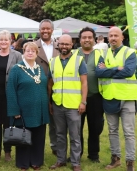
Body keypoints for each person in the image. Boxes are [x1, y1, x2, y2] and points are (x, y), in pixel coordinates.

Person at [96, 27, 137, 171]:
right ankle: (116, 159)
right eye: (110, 35)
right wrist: (116, 69)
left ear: (122, 38)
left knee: (129, 132)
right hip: (109, 97)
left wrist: (108, 70)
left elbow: (128, 71)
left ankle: (130, 162)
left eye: (116, 35)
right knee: (112, 131)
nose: (113, 38)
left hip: (127, 97)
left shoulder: (130, 52)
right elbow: (98, 72)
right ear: (107, 38)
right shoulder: (104, 52)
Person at [6, 42, 50, 171]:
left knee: (38, 136)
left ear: (37, 54)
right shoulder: (16, 69)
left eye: (33, 51)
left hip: (40, 110)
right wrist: (14, 110)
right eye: (27, 51)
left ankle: (36, 161)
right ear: (23, 53)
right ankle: (23, 163)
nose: (30, 53)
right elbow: (11, 91)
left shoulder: (40, 69)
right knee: (24, 137)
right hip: (23, 111)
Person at [48, 34, 87, 171]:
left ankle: (76, 163)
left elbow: (84, 82)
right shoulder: (53, 61)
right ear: (58, 45)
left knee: (75, 136)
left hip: (74, 105)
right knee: (60, 135)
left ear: (72, 45)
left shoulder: (79, 60)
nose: (64, 46)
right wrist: (50, 102)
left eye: (67, 44)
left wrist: (83, 102)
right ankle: (61, 160)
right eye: (62, 44)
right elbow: (50, 83)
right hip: (58, 104)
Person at [0, 30, 22, 162]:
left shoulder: (17, 55)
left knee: (8, 124)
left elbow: (20, 74)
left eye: (6, 39)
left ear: (10, 41)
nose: (3, 42)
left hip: (10, 95)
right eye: (1, 39)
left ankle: (8, 151)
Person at [75, 27, 104, 163]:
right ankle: (77, 154)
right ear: (80, 40)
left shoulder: (101, 54)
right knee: (77, 128)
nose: (87, 40)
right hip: (77, 98)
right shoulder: (74, 54)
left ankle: (94, 155)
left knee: (95, 127)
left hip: (95, 97)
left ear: (94, 39)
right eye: (84, 37)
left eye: (89, 37)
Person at [35, 19, 60, 156]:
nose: (45, 31)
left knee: (55, 121)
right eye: (43, 28)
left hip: (56, 89)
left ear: (52, 30)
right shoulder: (33, 46)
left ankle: (55, 147)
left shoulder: (59, 46)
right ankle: (36, 148)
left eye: (48, 29)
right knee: (37, 121)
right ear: (40, 30)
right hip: (38, 88)